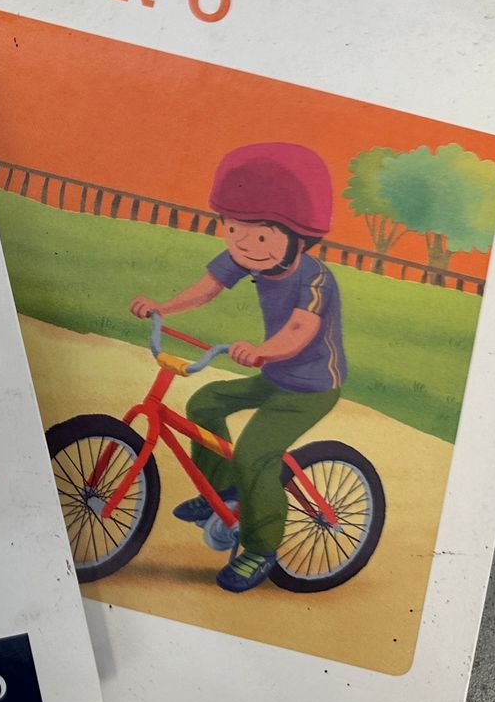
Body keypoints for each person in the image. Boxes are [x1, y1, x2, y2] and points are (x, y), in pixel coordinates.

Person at [128, 142, 348, 593]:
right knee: (205, 402)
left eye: (261, 236)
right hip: (275, 377)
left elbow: (300, 330)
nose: (245, 244)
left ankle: (261, 548)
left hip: (311, 387)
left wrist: (263, 350)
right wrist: (163, 307)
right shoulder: (245, 258)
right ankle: (227, 492)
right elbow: (207, 288)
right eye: (233, 230)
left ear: (298, 237)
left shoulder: (315, 279)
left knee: (254, 455)